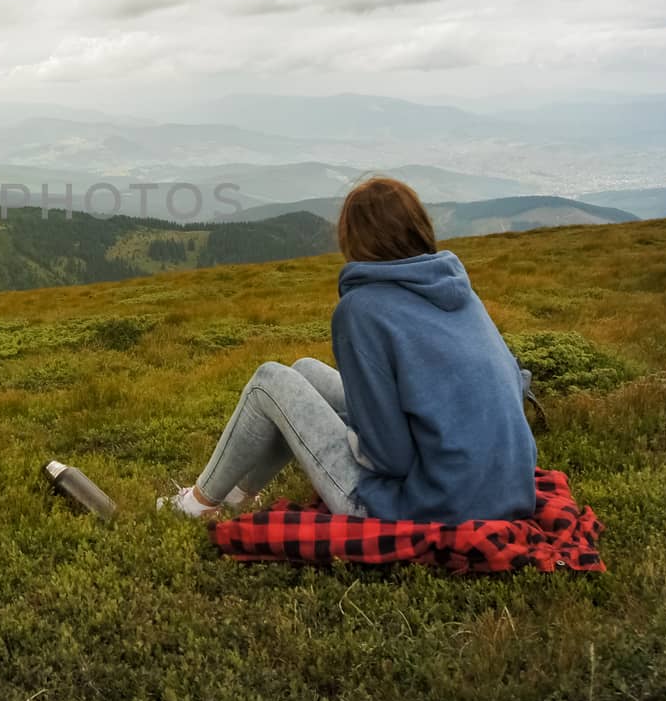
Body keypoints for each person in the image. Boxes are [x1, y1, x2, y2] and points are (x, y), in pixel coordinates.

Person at [160, 176, 538, 524]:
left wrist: (351, 431)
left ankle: (196, 504)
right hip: (507, 491)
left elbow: (390, 458)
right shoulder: (456, 289)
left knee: (267, 382)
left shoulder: (362, 310)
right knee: (304, 370)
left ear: (355, 239)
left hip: (422, 506)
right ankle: (239, 496)